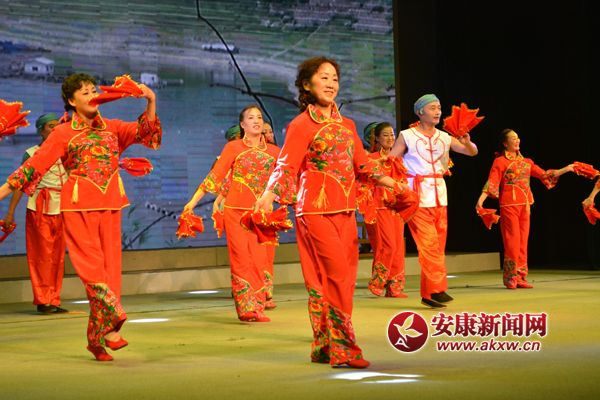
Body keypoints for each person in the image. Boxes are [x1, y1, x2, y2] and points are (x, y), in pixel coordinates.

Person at [254, 56, 408, 368]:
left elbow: (362, 166)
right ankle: (344, 348)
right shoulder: (301, 125)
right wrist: (268, 194)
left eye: (334, 78)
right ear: (307, 85)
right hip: (314, 210)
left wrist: (392, 182)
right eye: (323, 78)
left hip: (346, 211)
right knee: (335, 275)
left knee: (342, 279)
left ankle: (323, 345)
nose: (330, 83)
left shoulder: (347, 126)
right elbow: (286, 165)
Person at [0, 73, 161, 361]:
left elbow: (146, 134)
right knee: (92, 268)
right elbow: (33, 167)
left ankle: (98, 338)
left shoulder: (112, 128)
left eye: (93, 91)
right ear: (72, 101)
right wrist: (2, 193)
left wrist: (151, 100)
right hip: (77, 206)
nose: (92, 96)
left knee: (110, 270)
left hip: (110, 204)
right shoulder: (63, 133)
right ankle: (111, 321)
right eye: (84, 93)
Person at [183, 105, 280, 322]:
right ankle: (246, 308)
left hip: (261, 215)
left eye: (259, 117)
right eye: (250, 118)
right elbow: (216, 176)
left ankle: (258, 305)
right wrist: (193, 201)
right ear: (243, 124)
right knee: (241, 258)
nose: (256, 121)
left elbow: (284, 180)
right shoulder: (233, 147)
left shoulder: (274, 152)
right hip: (236, 212)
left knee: (259, 259)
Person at [389, 93, 478, 309]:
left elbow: (472, 153)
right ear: (420, 112)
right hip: (416, 197)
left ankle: (429, 293)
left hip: (440, 196)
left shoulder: (444, 137)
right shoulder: (407, 135)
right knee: (428, 245)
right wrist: (397, 186)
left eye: (439, 107)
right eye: (432, 108)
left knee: (437, 246)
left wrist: (467, 143)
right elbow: (391, 160)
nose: (437, 111)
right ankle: (437, 288)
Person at [476, 129, 573, 289]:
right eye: (513, 138)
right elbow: (492, 182)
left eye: (518, 138)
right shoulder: (500, 161)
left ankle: (521, 276)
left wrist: (566, 169)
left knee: (522, 242)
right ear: (505, 143)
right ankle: (510, 276)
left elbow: (545, 175)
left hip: (525, 206)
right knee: (512, 241)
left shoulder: (527, 162)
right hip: (509, 206)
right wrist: (480, 201)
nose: (517, 140)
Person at [2, 113, 69, 314]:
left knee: (58, 256)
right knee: (42, 255)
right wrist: (10, 213)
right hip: (40, 206)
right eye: (50, 126)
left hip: (62, 207)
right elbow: (19, 184)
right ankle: (42, 300)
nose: (55, 129)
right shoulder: (31, 154)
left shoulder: (66, 152)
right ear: (41, 131)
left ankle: (53, 299)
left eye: (57, 126)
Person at [364, 122, 409, 298]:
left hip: (396, 207)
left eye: (392, 134)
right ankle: (378, 281)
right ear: (376, 138)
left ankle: (395, 287)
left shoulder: (399, 158)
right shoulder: (372, 158)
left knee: (398, 247)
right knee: (387, 245)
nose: (390, 138)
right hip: (379, 206)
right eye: (385, 135)